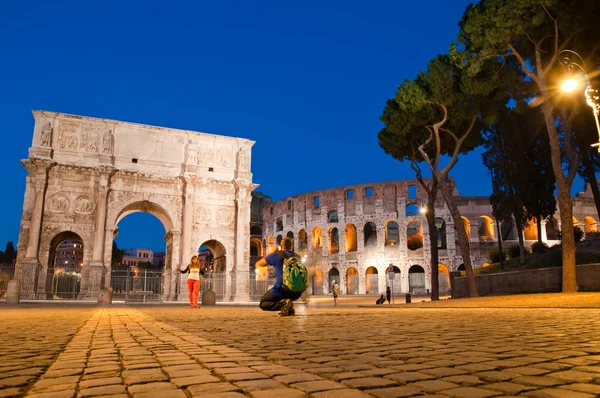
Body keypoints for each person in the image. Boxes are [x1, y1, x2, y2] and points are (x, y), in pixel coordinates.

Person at [256, 238, 303, 316]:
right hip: (297, 292)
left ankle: (283, 304)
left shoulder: (276, 255)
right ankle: (289, 308)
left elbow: (259, 263)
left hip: (281, 290)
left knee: (263, 303)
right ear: (291, 246)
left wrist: (272, 252)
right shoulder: (298, 257)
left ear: (280, 246)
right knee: (287, 296)